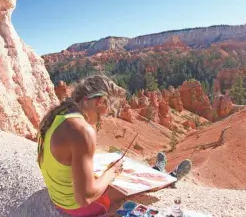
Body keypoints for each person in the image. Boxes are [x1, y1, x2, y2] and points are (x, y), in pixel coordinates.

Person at [37, 75, 192, 217]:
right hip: (77, 207)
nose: (105, 116)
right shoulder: (82, 130)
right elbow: (84, 198)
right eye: (108, 109)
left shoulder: (57, 117)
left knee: (106, 174)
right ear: (101, 101)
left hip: (59, 198)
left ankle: (158, 171)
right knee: (130, 184)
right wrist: (112, 172)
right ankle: (166, 178)